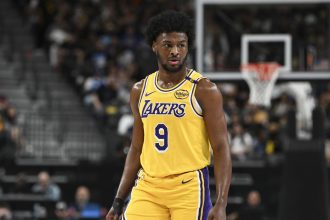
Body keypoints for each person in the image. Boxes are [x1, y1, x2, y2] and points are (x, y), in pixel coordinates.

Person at [106, 10, 232, 220]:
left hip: (188, 187)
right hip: (148, 186)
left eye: (181, 45)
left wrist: (221, 202)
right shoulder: (140, 90)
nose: (175, 51)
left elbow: (221, 147)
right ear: (154, 45)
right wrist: (119, 200)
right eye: (168, 45)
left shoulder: (204, 90)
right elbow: (136, 148)